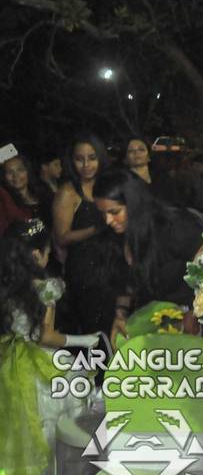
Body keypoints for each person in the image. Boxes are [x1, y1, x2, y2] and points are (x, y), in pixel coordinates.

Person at [0, 219, 99, 475]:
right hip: (41, 366)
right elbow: (46, 335)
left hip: (11, 366)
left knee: (22, 438)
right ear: (38, 254)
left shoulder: (7, 286)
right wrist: (85, 340)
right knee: (54, 433)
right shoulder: (46, 287)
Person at [93, 168, 203, 344]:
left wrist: (196, 312)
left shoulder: (174, 226)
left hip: (191, 322)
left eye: (114, 212)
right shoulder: (117, 236)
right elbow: (125, 283)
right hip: (153, 321)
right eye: (102, 213)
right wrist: (120, 313)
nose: (107, 220)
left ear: (134, 203)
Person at [52, 133, 125, 335]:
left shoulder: (109, 183)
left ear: (100, 158)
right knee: (96, 332)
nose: (86, 165)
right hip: (86, 272)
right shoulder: (68, 192)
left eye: (92, 158)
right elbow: (62, 237)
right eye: (79, 159)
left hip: (114, 265)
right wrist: (96, 229)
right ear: (71, 161)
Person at [2, 154, 53, 228]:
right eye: (10, 172)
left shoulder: (44, 193)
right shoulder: (5, 202)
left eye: (20, 170)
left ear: (28, 171)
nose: (16, 176)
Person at [123, 136, 177, 204]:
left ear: (148, 156)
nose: (136, 153)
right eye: (131, 150)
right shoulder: (121, 186)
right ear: (125, 159)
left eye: (141, 149)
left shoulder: (163, 179)